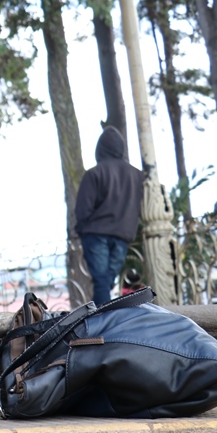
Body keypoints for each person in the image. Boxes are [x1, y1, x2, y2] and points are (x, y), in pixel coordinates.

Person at [75, 126, 144, 306]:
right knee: (106, 281)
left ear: (100, 148)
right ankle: (108, 319)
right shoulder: (136, 176)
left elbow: (83, 209)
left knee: (101, 282)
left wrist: (81, 230)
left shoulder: (94, 174)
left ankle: (104, 323)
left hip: (96, 233)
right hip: (123, 234)